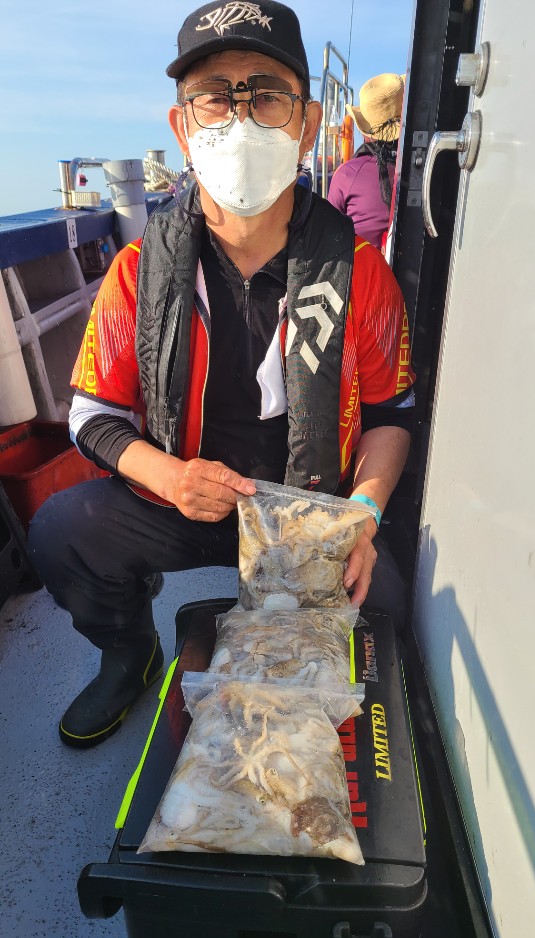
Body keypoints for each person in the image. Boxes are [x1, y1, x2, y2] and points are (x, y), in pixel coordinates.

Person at [28, 1, 416, 749]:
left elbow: (391, 415)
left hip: (311, 510)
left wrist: (362, 514)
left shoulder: (363, 272)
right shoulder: (137, 272)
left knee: (389, 610)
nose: (240, 119)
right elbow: (91, 415)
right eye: (214, 96)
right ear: (182, 127)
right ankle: (129, 652)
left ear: (307, 124)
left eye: (266, 94)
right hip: (187, 503)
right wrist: (172, 478)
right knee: (64, 531)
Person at [327, 73, 405, 250]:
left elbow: (328, 234)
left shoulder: (348, 174)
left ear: (364, 130)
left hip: (361, 266)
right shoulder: (421, 169)